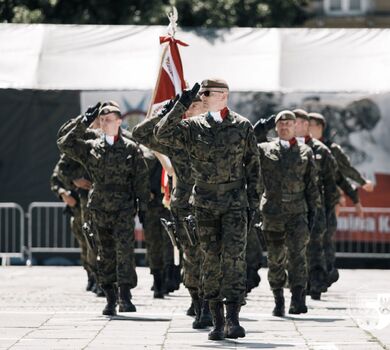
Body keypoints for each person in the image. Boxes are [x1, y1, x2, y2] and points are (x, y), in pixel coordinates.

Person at [154, 79, 261, 341]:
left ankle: (234, 319)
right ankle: (216, 320)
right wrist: (181, 104)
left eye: (206, 93)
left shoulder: (242, 126)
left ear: (223, 95)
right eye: (199, 93)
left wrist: (253, 206)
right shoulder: (192, 126)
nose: (200, 96)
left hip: (235, 202)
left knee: (235, 259)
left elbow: (253, 168)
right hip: (204, 203)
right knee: (210, 261)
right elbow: (161, 133)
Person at [57, 102, 149, 316]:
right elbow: (65, 143)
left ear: (119, 121)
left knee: (124, 252)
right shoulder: (91, 147)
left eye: (110, 119)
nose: (106, 123)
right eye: (103, 120)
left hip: (124, 207)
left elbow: (141, 178)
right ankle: (109, 297)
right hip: (99, 207)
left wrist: (142, 205)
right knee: (104, 252)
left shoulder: (130, 148)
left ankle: (125, 295)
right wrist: (83, 122)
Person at [132, 94, 212, 329]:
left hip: (212, 203)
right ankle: (199, 302)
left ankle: (209, 304)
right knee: (192, 258)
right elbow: (140, 134)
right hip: (185, 205)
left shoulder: (216, 134)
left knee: (211, 257)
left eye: (198, 106)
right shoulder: (177, 136)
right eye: (189, 107)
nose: (192, 111)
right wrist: (169, 109)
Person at [258, 110, 320, 317]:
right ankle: (278, 299)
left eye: (288, 124)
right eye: (281, 124)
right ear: (276, 128)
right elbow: (245, 147)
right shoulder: (264, 150)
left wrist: (313, 213)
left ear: (295, 127)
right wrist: (260, 128)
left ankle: (297, 297)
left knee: (297, 256)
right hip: (273, 213)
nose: (284, 127)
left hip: (297, 213)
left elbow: (312, 185)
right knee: (275, 258)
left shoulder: (305, 152)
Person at [308, 112, 373, 286]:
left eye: (312, 124)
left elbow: (345, 171)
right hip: (306, 203)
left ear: (320, 127)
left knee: (326, 238)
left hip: (329, 202)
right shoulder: (302, 147)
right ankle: (311, 278)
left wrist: (361, 184)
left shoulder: (331, 149)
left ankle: (326, 272)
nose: (307, 127)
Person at [293, 109, 339, 300]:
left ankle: (317, 284)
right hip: (293, 207)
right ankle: (299, 284)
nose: (298, 126)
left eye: (303, 123)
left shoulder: (321, 150)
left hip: (316, 208)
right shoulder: (285, 147)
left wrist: (329, 210)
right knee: (295, 248)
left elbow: (331, 183)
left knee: (315, 247)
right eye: (295, 123)